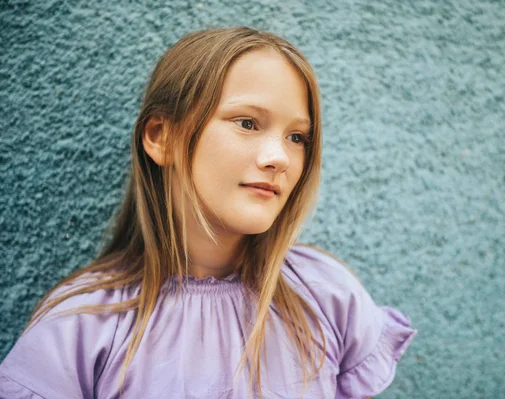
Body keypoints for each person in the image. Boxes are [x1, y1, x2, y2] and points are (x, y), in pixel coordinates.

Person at [0, 27, 416, 399]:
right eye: (247, 123)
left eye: (297, 136)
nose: (280, 158)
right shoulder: (81, 327)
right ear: (162, 137)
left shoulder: (326, 295)